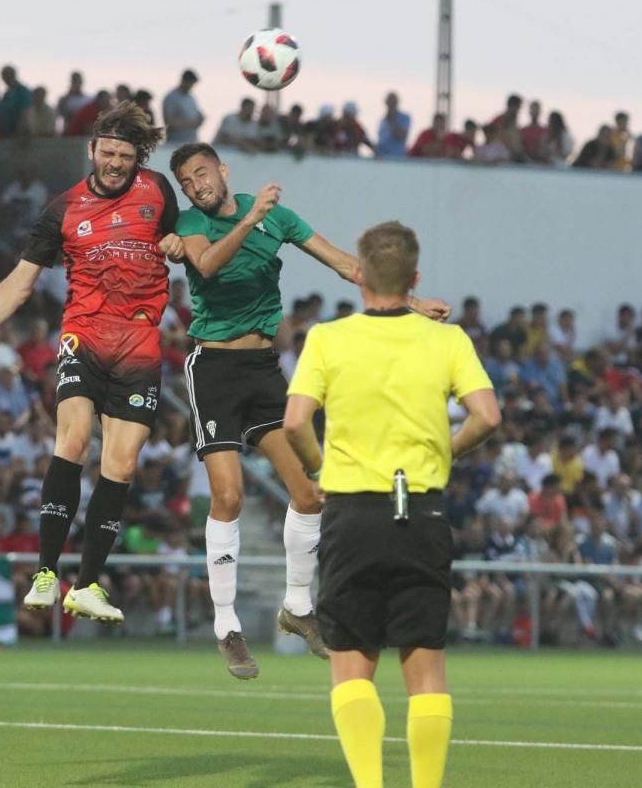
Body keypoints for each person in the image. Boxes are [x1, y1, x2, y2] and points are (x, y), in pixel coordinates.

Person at [159, 143, 451, 678]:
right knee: (229, 494)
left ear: (223, 169)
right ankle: (226, 626)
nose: (195, 184)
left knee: (309, 493)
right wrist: (250, 218)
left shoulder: (278, 218)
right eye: (185, 180)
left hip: (263, 369)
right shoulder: (193, 222)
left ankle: (297, 607)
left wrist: (411, 302)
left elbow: (344, 263)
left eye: (201, 172)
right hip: (214, 368)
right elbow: (206, 264)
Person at [0, 103, 176, 625]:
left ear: (139, 158)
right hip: (84, 336)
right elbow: (19, 283)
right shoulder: (63, 209)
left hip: (139, 344)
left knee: (123, 463)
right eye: (107, 152)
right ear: (91, 150)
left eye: (125, 156)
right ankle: (47, 572)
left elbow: (190, 241)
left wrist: (187, 247)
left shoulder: (158, 191)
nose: (114, 163)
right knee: (72, 439)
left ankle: (87, 585)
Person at [282, 220, 500, 788]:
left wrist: (320, 469)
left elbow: (296, 422)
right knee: (425, 667)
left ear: (360, 277)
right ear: (415, 279)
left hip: (352, 512)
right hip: (420, 510)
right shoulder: (448, 339)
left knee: (351, 664)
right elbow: (488, 417)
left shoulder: (328, 339)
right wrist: (442, 451)